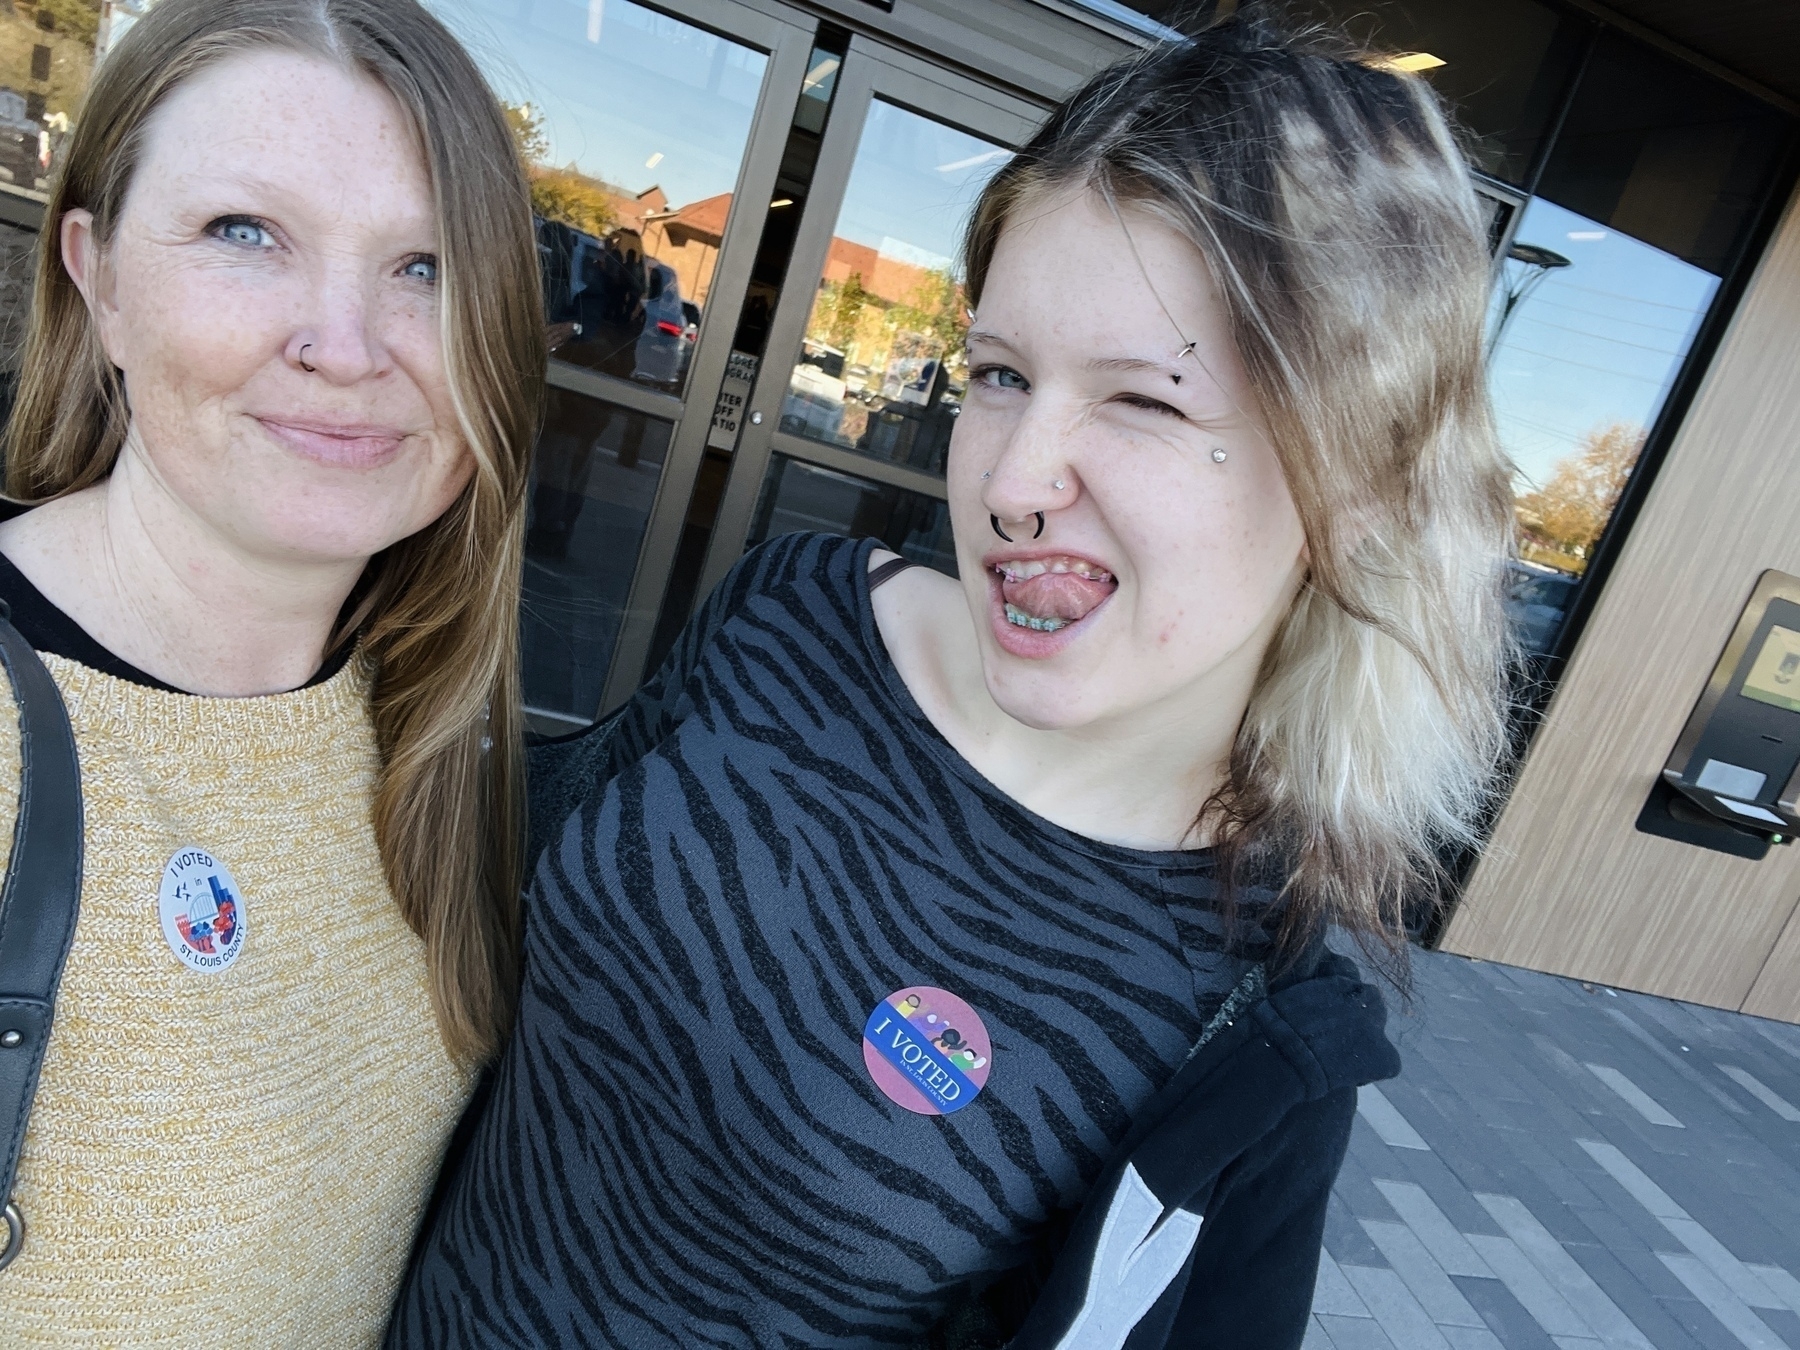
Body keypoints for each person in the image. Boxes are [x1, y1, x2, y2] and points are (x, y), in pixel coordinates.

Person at [391, 10, 1513, 1349]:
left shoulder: (1248, 1036)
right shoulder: (795, 618)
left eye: (1145, 400)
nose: (1016, 481)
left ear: (1366, 482)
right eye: (999, 375)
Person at [0, 0, 543, 1342]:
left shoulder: (424, 724)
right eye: (247, 233)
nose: (348, 345)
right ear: (99, 273)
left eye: (424, 267)